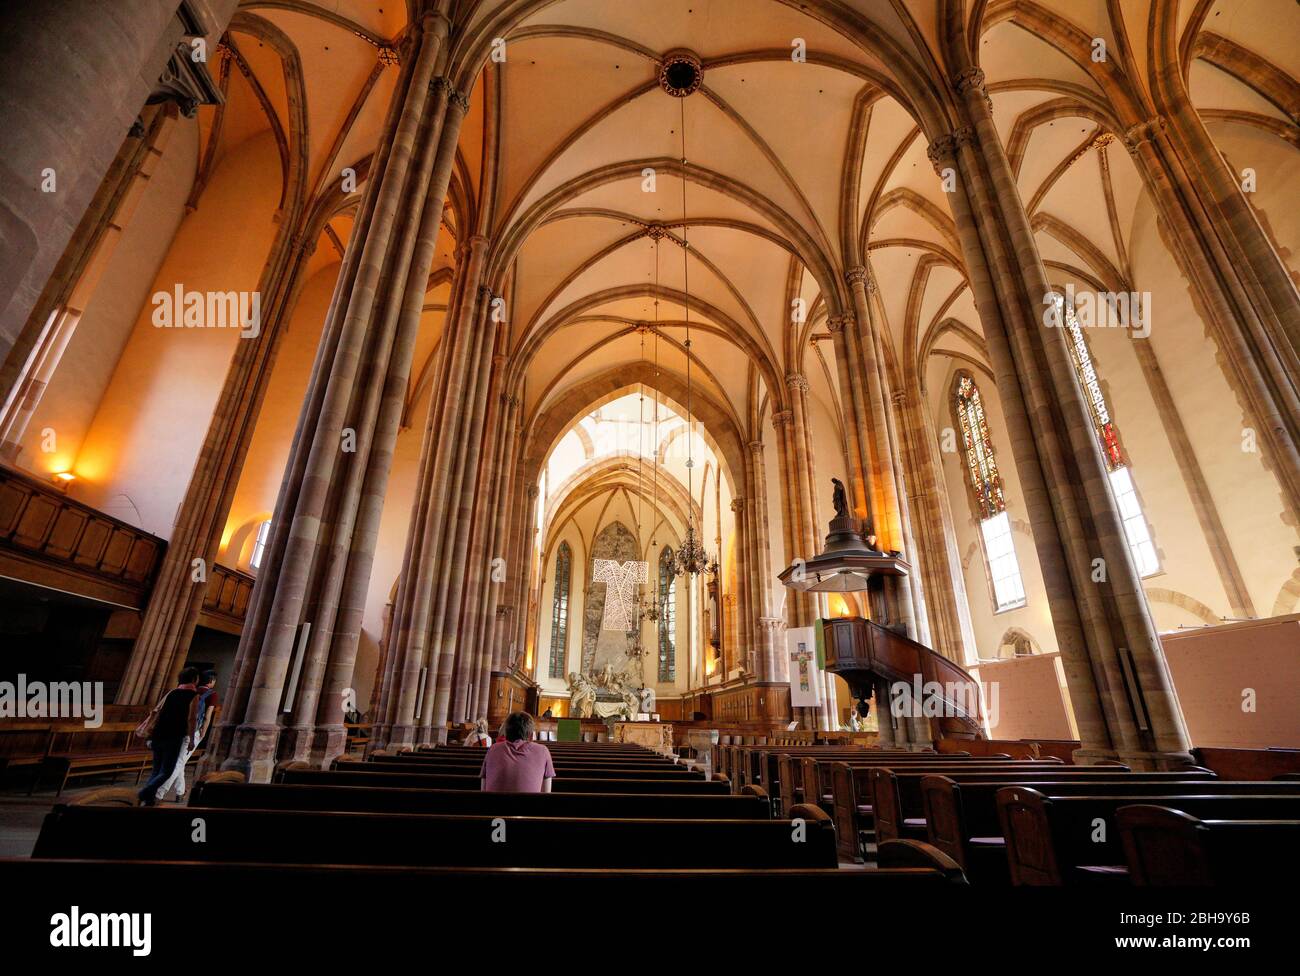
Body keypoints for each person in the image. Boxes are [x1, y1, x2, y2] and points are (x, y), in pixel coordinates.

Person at [138, 667, 201, 806]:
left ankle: (148, 799)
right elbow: (192, 719)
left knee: (156, 770)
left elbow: (157, 712)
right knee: (166, 771)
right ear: (194, 679)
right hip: (174, 735)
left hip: (159, 734)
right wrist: (191, 739)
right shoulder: (193, 695)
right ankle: (143, 793)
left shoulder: (172, 692)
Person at [156, 669, 219, 802]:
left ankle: (180, 792)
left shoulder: (189, 691)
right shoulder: (212, 695)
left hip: (176, 730)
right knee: (178, 762)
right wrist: (203, 733)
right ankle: (159, 793)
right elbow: (207, 717)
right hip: (193, 731)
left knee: (181, 761)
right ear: (211, 681)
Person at [479, 712, 555, 793]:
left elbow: (483, 789)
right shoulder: (543, 751)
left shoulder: (493, 749)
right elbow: (546, 794)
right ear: (531, 734)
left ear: (506, 732)